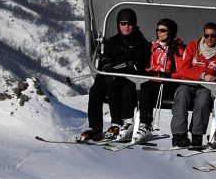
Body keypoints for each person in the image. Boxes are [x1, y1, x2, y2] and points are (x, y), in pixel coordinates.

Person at [79, 8, 150, 142]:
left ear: (134, 24)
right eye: (123, 24)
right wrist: (106, 64)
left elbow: (140, 61)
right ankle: (95, 128)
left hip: (127, 77)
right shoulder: (113, 41)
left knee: (113, 87)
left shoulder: (140, 42)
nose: (126, 27)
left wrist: (130, 64)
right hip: (110, 74)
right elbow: (105, 56)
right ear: (118, 25)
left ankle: (116, 123)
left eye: (129, 24)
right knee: (95, 90)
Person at [170, 21, 216, 147]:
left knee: (203, 100)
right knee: (182, 95)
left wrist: (213, 79)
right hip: (190, 82)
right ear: (203, 35)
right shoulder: (193, 46)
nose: (209, 38)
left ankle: (197, 135)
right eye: (207, 35)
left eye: (213, 36)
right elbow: (184, 68)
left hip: (206, 86)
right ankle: (179, 134)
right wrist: (203, 75)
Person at [133, 18, 186, 142]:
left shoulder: (177, 49)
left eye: (163, 30)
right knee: (144, 90)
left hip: (169, 83)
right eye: (157, 30)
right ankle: (144, 125)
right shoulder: (153, 46)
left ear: (171, 32)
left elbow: (183, 71)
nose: (159, 33)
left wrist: (170, 76)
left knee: (148, 91)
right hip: (153, 79)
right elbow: (146, 64)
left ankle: (148, 127)